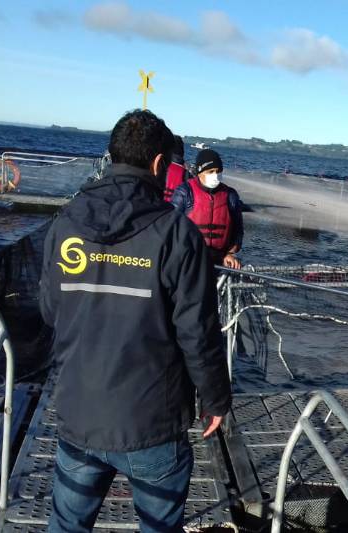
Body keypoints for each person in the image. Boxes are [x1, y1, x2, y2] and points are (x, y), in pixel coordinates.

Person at [39, 109, 231, 532]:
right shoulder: (177, 234)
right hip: (152, 423)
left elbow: (51, 310)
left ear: (112, 156)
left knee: (67, 524)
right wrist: (215, 399)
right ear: (161, 164)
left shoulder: (65, 223)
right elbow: (198, 333)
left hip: (78, 412)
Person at [170, 149, 244, 269]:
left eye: (218, 171)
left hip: (219, 258)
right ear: (199, 172)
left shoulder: (230, 195)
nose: (215, 175)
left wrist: (230, 253)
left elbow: (238, 229)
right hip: (189, 257)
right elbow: (171, 225)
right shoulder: (185, 192)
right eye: (210, 171)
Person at [163, 134, 189, 202]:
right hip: (176, 209)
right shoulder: (187, 174)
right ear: (182, 150)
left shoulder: (161, 168)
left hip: (159, 208)